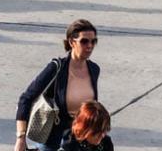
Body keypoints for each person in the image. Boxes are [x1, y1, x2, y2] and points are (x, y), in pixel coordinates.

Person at [13, 20, 102, 151]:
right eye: (84, 41)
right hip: (54, 141)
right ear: (72, 42)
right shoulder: (56, 68)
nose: (90, 45)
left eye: (93, 41)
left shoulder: (94, 69)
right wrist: (21, 138)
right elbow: (25, 99)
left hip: (81, 141)